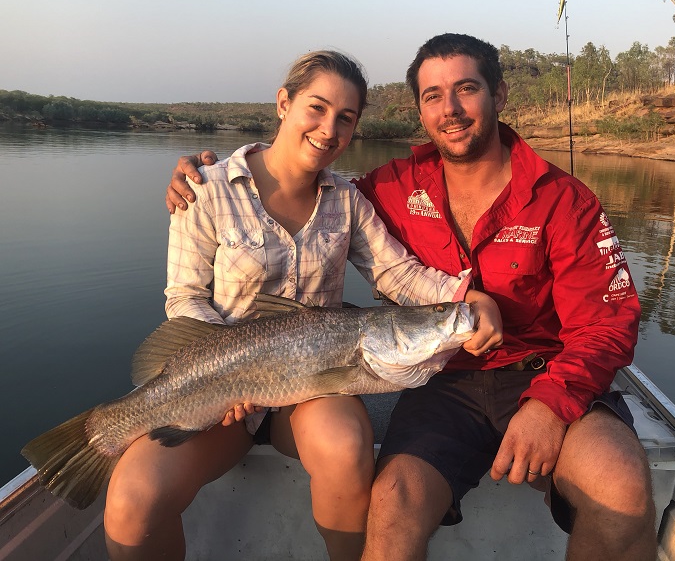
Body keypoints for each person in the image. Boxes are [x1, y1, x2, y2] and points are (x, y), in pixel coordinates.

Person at [166, 34, 656, 561]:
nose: (451, 109)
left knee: (621, 487)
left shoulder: (566, 200)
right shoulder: (389, 188)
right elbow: (305, 179)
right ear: (419, 109)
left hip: (547, 373)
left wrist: (549, 407)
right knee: (393, 503)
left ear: (499, 95)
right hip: (444, 382)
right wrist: (207, 178)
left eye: (466, 89)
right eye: (432, 95)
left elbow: (609, 325)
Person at [106, 49, 503, 561]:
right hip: (222, 392)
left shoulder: (348, 201)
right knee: (132, 499)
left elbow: (396, 273)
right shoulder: (203, 190)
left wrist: (464, 299)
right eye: (316, 108)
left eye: (346, 118)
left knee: (345, 447)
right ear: (283, 104)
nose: (328, 128)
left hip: (315, 387)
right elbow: (184, 299)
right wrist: (232, 371)